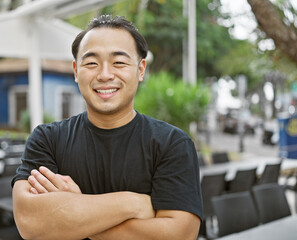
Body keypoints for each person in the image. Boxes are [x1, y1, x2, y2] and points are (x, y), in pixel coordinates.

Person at [12, 15, 202, 240]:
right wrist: (134, 203)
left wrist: (76, 212)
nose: (104, 75)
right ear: (75, 70)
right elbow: (30, 222)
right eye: (91, 63)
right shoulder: (47, 140)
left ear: (140, 70)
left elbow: (179, 235)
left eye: (119, 62)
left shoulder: (171, 144)